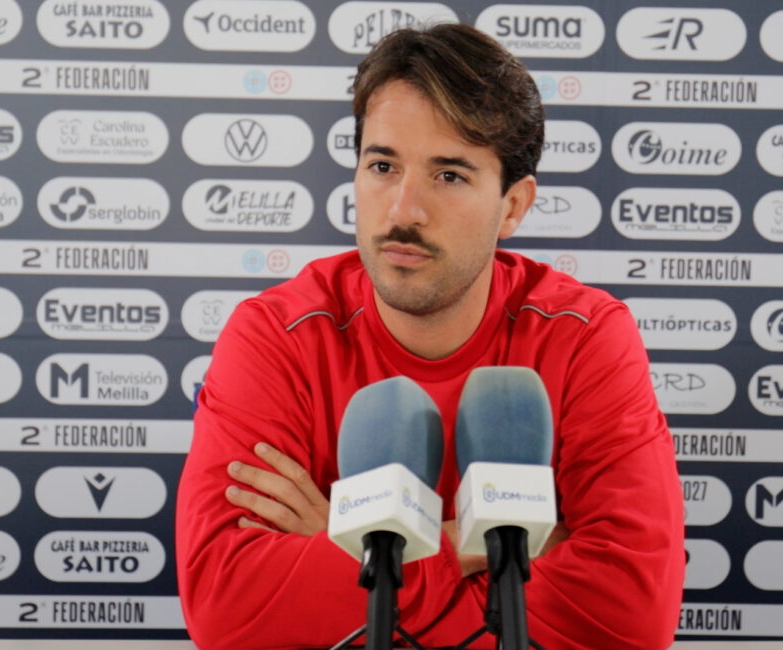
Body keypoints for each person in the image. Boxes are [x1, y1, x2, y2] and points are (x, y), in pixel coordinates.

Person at [176, 23, 684, 650]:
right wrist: (495, 552)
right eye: (382, 166)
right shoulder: (275, 337)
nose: (403, 211)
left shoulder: (584, 337)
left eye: (449, 175)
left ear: (513, 206)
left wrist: (358, 551)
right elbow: (227, 607)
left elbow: (631, 612)